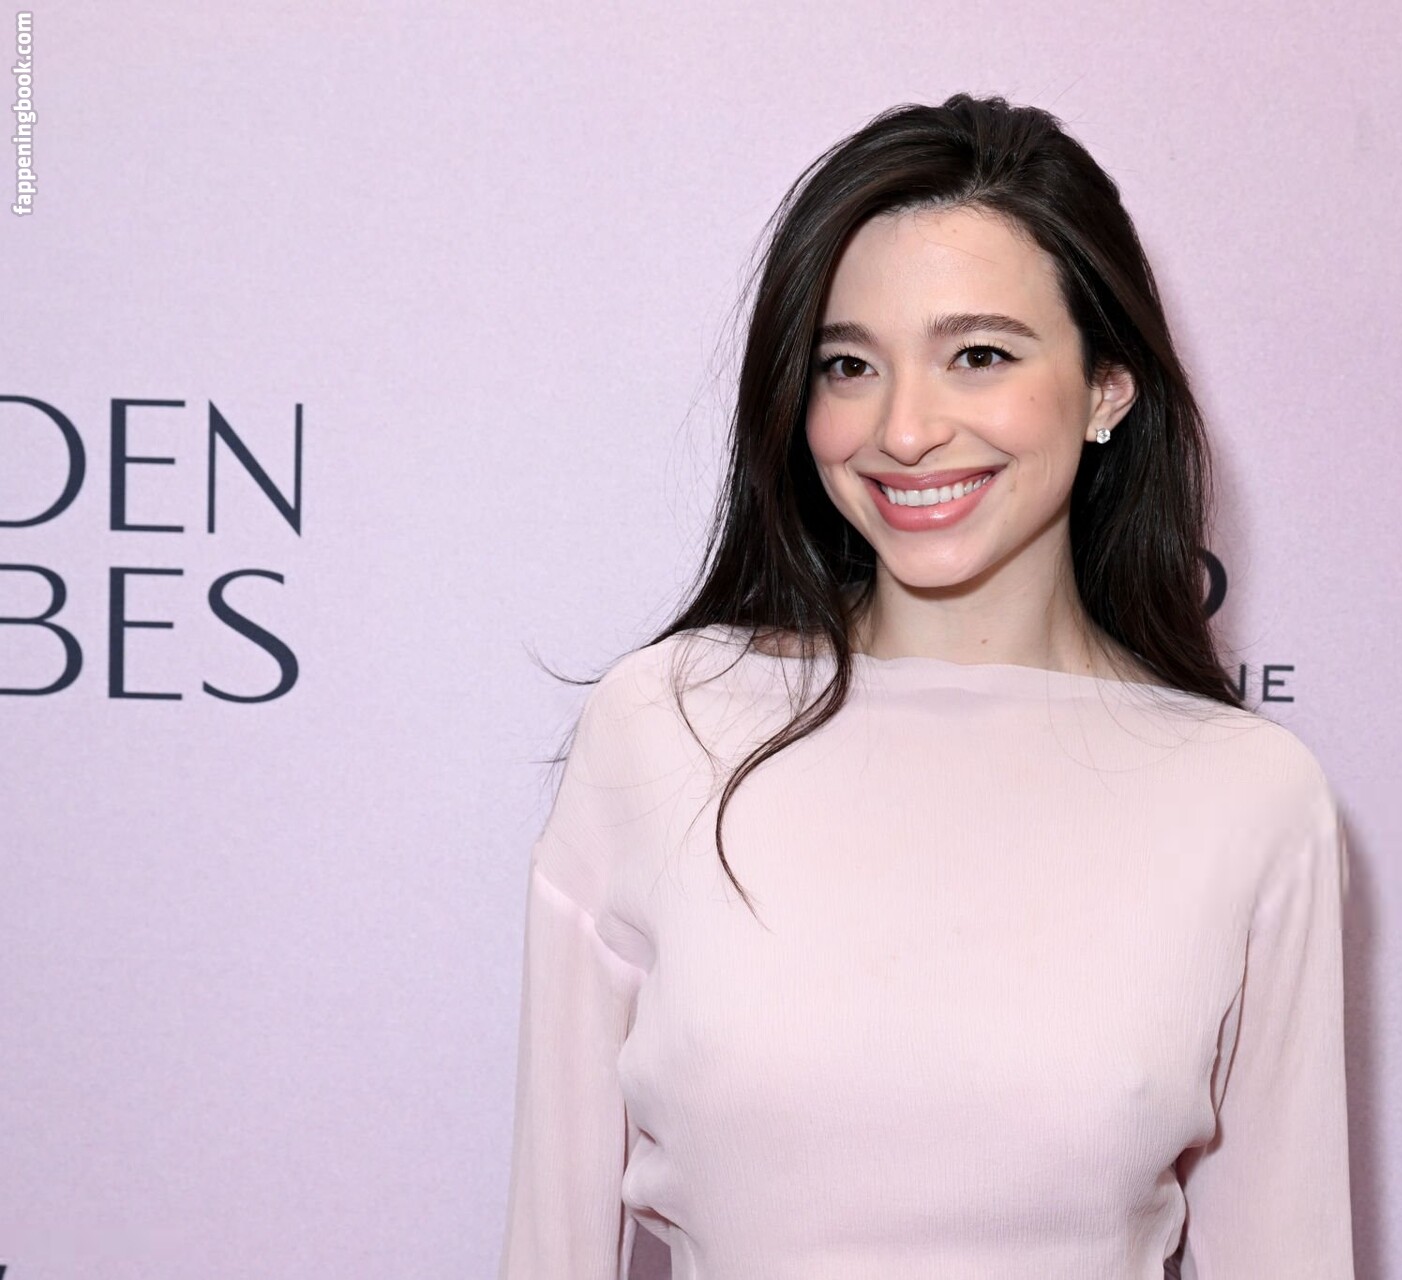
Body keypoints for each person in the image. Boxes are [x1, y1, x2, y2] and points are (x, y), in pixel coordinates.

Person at [498, 92, 1355, 1280]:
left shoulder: (1248, 794)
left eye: (979, 355)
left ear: (1109, 385)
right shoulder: (666, 725)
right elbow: (549, 1247)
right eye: (849, 365)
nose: (903, 429)